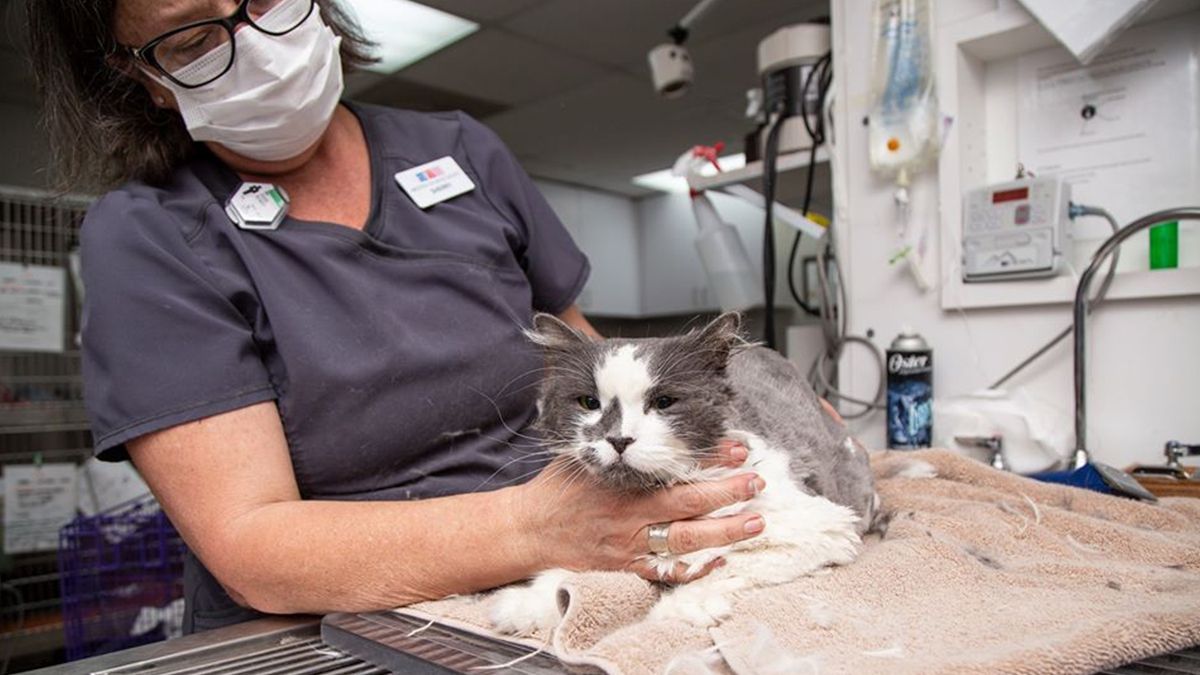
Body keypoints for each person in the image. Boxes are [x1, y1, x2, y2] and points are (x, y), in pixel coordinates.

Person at [27, 0, 768, 633]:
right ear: (140, 77)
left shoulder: (461, 151)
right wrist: (538, 526)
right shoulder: (149, 235)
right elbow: (254, 546)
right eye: (192, 40)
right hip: (328, 626)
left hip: (563, 568)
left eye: (271, 1)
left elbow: (602, 374)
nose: (255, 43)